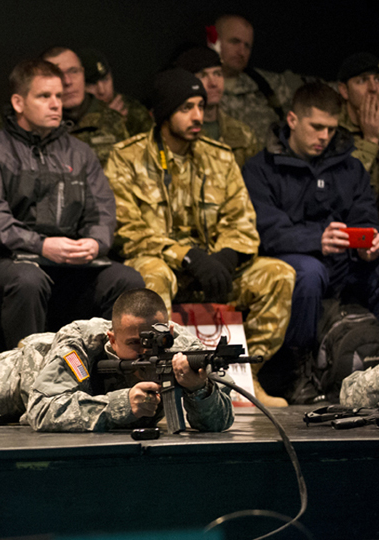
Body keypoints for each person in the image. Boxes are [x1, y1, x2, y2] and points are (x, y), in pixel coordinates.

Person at [106, 69, 295, 408]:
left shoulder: (219, 157)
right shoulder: (127, 158)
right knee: (152, 279)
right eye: (186, 108)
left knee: (278, 275)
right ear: (164, 113)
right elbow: (128, 230)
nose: (197, 115)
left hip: (213, 269)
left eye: (200, 106)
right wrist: (187, 256)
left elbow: (243, 222)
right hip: (165, 263)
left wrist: (226, 257)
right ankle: (158, 383)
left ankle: (247, 376)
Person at [0, 58, 143, 352]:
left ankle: (106, 370)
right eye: (44, 96)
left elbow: (102, 209)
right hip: (8, 262)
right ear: (18, 103)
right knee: (28, 280)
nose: (55, 104)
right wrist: (41, 245)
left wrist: (95, 243)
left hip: (70, 264)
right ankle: (29, 379)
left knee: (126, 279)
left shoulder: (79, 153)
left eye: (59, 96)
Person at [0, 288, 234, 433]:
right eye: (135, 344)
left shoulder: (181, 345)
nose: (149, 352)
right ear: (112, 339)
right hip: (19, 377)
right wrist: (120, 405)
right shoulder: (81, 340)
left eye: (156, 341)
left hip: (60, 395)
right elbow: (41, 408)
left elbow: (221, 420)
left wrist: (199, 390)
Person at [243, 82, 379, 402]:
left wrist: (370, 243)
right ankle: (297, 372)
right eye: (316, 127)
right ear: (292, 120)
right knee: (308, 272)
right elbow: (265, 230)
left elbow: (365, 218)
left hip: (345, 262)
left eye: (331, 129)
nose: (324, 136)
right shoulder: (261, 168)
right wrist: (315, 239)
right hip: (291, 260)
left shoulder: (351, 168)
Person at [211, 14, 304, 140]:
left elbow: (318, 92)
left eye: (247, 46)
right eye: (235, 42)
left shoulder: (264, 84)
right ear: (214, 41)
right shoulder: (194, 86)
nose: (241, 52)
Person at [174, 46, 262, 167]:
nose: (213, 83)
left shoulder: (243, 133)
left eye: (217, 74)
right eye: (203, 76)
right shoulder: (176, 133)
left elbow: (253, 180)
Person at [41, 46, 129, 165]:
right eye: (57, 75)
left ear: (82, 73)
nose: (67, 82)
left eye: (73, 71)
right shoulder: (35, 128)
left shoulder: (114, 120)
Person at [336, 52, 379, 200]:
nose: (373, 88)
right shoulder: (330, 129)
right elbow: (340, 190)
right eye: (362, 81)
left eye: (378, 79)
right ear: (344, 90)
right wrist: (371, 140)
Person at [79, 48, 153, 136]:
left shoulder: (130, 108)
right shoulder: (74, 114)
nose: (101, 90)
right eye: (91, 84)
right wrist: (106, 121)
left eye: (105, 80)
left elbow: (151, 144)